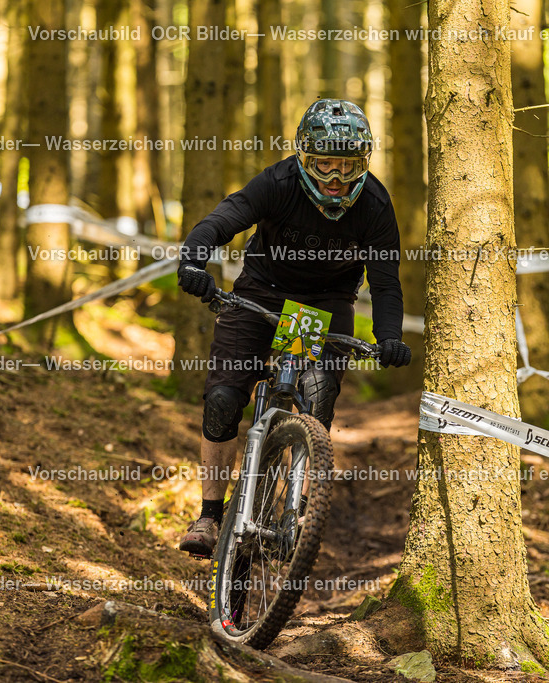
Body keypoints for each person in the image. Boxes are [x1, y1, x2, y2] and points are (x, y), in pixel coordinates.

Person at [176, 98, 411, 557]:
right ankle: (209, 514)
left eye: (348, 166)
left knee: (316, 403)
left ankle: (296, 512)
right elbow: (224, 219)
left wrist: (390, 338)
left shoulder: (375, 206)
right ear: (305, 157)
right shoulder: (278, 181)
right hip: (261, 291)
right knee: (224, 401)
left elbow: (385, 283)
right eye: (326, 164)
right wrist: (193, 260)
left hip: (325, 305)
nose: (337, 179)